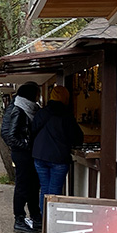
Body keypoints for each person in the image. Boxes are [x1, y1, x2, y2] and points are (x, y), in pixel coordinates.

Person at [31, 86, 84, 215]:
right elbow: (77, 138)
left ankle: (45, 220)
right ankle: (52, 221)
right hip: (59, 158)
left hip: (40, 156)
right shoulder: (67, 116)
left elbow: (32, 131)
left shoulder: (42, 113)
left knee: (44, 188)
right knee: (54, 190)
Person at [1, 81, 42, 233]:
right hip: (22, 154)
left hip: (25, 153)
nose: (39, 96)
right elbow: (11, 136)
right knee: (23, 185)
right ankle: (19, 218)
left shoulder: (26, 107)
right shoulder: (20, 109)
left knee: (31, 186)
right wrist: (27, 147)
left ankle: (34, 216)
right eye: (37, 93)